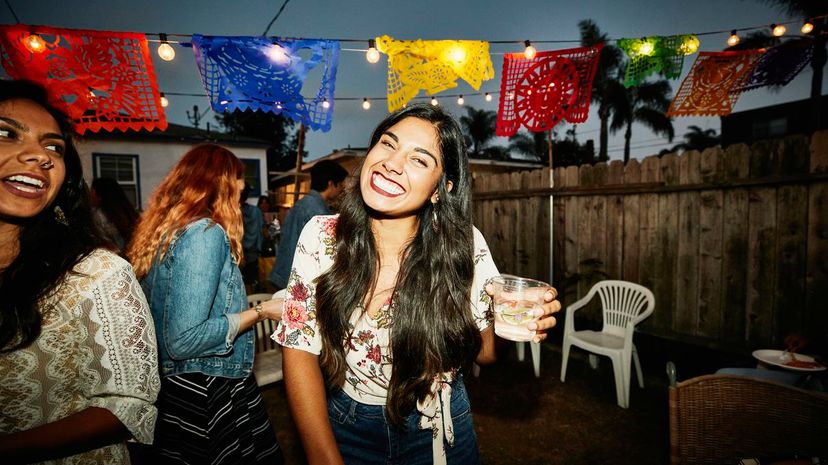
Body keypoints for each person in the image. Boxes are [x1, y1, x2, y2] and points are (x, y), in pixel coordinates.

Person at [274, 104, 561, 465]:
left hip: (439, 429)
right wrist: (324, 458)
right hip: (348, 426)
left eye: (419, 160)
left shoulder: (464, 246)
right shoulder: (322, 236)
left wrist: (514, 316)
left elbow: (485, 354)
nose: (393, 163)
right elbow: (299, 349)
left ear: (441, 189)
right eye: (388, 144)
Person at [0, 80, 160, 464]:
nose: (40, 155)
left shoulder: (95, 273)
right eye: (6, 133)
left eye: (53, 146)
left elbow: (129, 404)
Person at [127, 144, 284, 465]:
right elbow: (184, 339)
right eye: (238, 178)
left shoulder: (167, 233)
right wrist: (262, 311)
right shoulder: (204, 234)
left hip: (180, 383)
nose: (244, 187)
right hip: (206, 385)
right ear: (220, 182)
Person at [268, 159, 347, 289]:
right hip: (295, 283)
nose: (341, 192)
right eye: (341, 187)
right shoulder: (319, 213)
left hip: (283, 276)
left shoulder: (302, 204)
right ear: (331, 184)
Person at [90, 176, 139, 254]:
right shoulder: (127, 212)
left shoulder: (98, 216)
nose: (89, 195)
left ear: (98, 194)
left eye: (91, 191)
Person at [240, 183, 264, 288]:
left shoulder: (233, 212)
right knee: (254, 282)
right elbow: (262, 231)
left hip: (240, 254)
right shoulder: (256, 211)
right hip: (254, 253)